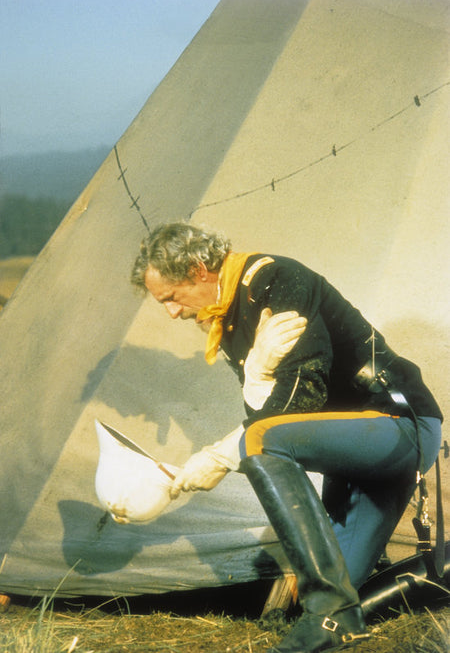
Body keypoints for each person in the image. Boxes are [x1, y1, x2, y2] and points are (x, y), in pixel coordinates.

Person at [131, 222, 442, 653]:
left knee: (326, 600)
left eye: (171, 297)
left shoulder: (276, 280)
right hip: (353, 450)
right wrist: (256, 379)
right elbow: (272, 417)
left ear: (198, 270)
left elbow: (298, 402)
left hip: (399, 426)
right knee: (338, 590)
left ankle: (333, 612)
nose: (171, 312)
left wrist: (220, 455)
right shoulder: (229, 317)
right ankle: (356, 609)